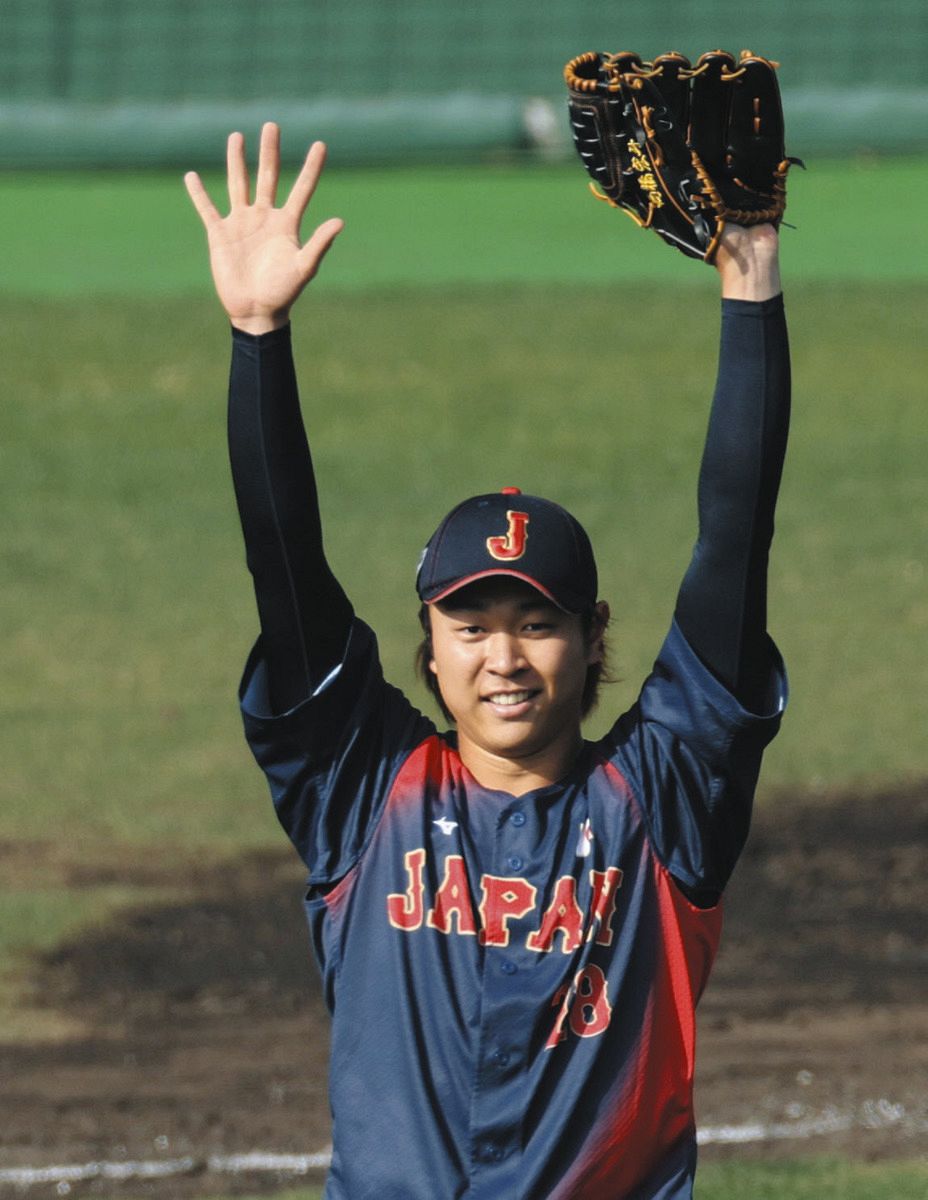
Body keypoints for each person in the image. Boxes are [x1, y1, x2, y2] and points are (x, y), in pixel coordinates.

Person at [185, 122, 789, 1200]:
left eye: (537, 622)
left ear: (595, 637)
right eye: (470, 626)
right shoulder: (360, 786)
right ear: (427, 645)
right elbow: (282, 560)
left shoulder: (663, 799)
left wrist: (750, 286)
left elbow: (734, 542)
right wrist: (255, 337)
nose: (503, 658)